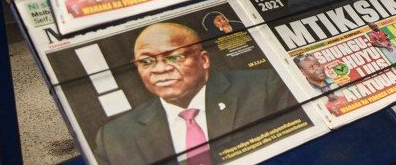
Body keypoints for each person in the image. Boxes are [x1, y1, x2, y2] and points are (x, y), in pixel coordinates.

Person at [93, 23, 295, 165]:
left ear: (204, 60)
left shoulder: (266, 87)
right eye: (146, 61)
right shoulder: (114, 138)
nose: (160, 69)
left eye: (174, 57)